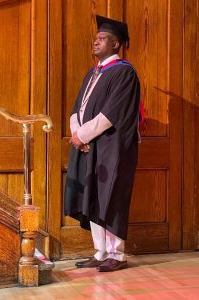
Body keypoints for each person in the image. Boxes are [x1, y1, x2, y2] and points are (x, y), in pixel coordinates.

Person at [64, 15, 140, 272]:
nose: (95, 42)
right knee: (94, 196)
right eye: (95, 39)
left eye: (102, 39)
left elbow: (111, 114)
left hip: (112, 148)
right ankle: (100, 251)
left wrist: (83, 136)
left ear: (115, 44)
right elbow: (78, 108)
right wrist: (76, 133)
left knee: (112, 196)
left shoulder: (124, 73)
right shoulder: (93, 73)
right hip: (90, 145)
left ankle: (116, 255)